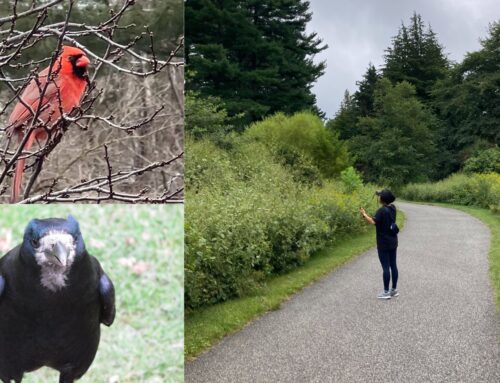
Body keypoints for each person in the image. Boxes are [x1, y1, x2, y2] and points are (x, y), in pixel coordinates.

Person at [359, 189, 399, 300]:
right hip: (393, 241)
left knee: (386, 267)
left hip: (383, 243)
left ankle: (386, 292)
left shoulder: (381, 211)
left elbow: (372, 222)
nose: (379, 197)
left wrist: (364, 214)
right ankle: (394, 290)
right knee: (393, 266)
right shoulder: (393, 208)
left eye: (380, 196)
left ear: (382, 199)